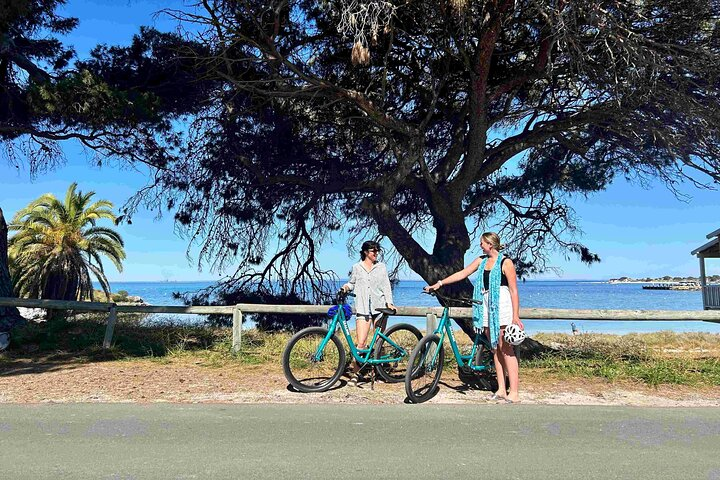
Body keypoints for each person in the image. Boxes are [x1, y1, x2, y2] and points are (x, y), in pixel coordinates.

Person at [424, 232, 524, 403]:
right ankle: (501, 389)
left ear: (490, 244)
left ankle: (513, 392)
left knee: (505, 348)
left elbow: (514, 290)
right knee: (495, 348)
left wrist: (515, 315)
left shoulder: (505, 262)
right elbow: (462, 274)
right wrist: (440, 283)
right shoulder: (481, 261)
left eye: (482, 243)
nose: (480, 245)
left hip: (502, 304)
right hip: (484, 304)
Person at [341, 240, 396, 385]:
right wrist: (345, 287)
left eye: (377, 250)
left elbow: (386, 286)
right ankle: (356, 373)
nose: (376, 253)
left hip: (379, 307)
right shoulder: (357, 267)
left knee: (379, 342)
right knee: (361, 343)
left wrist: (390, 303)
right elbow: (351, 283)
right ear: (366, 252)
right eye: (374, 251)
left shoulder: (381, 267)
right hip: (363, 308)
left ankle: (379, 372)